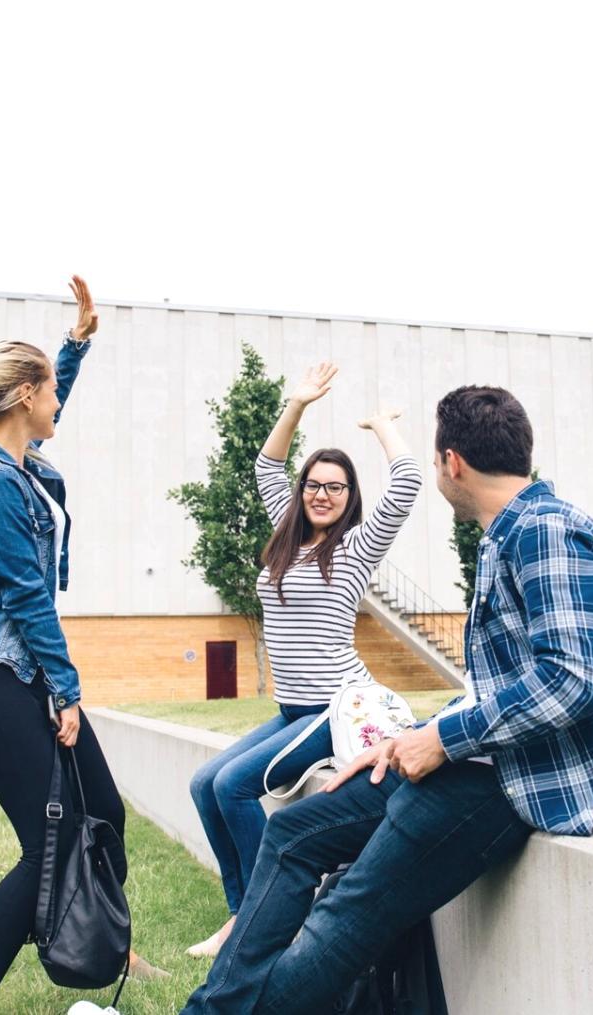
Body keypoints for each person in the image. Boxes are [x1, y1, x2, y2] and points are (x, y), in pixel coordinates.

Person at [181, 385, 593, 1013]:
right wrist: (411, 739)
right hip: (487, 758)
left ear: (452, 462)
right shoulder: (510, 535)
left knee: (349, 910)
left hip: (525, 780)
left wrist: (443, 740)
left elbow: (570, 682)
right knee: (293, 831)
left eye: (434, 461)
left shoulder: (548, 531)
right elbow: (502, 690)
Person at [0, 277, 157, 1015]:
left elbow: (52, 402)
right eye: (50, 388)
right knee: (45, 846)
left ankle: (103, 943)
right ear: (24, 395)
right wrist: (65, 689)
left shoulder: (19, 459)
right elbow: (26, 598)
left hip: (22, 673)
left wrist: (76, 344)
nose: (58, 400)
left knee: (105, 817)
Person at [186, 361, 423, 958]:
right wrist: (297, 404)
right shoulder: (286, 538)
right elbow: (267, 465)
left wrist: (381, 426)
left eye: (335, 487)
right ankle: (241, 914)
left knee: (236, 787)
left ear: (349, 498)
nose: (322, 494)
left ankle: (269, 916)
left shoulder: (357, 548)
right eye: (314, 484)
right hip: (292, 709)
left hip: (332, 706)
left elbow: (410, 481)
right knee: (202, 784)